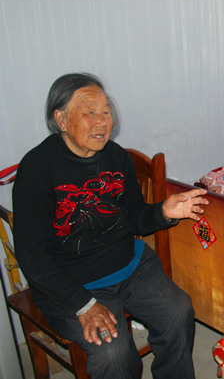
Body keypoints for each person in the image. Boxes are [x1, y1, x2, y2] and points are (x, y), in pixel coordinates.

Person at [13, 73, 209, 379]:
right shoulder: (37, 170)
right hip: (75, 283)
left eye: (106, 112)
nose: (101, 121)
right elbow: (32, 256)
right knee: (113, 352)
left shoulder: (116, 157)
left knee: (177, 312)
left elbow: (133, 217)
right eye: (89, 112)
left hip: (130, 265)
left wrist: (163, 212)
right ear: (61, 119)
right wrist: (83, 305)